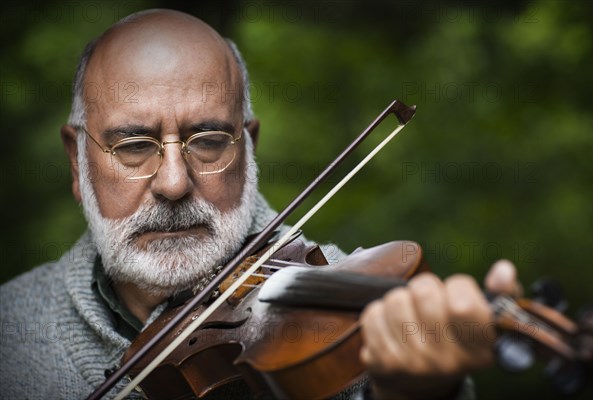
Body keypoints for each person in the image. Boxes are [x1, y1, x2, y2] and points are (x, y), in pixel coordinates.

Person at [0, 9, 520, 400]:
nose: (175, 184)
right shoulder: (11, 328)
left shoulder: (355, 320)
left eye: (208, 140)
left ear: (249, 148)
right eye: (134, 146)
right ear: (77, 162)